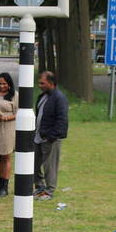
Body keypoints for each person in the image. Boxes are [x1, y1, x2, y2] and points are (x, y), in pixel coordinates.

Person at [34, 71, 68, 201]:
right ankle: (39, 187)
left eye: (42, 83)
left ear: (51, 83)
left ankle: (49, 191)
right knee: (35, 163)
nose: (40, 85)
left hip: (50, 138)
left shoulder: (59, 98)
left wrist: (52, 137)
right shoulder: (43, 96)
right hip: (38, 136)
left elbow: (62, 120)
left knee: (50, 165)